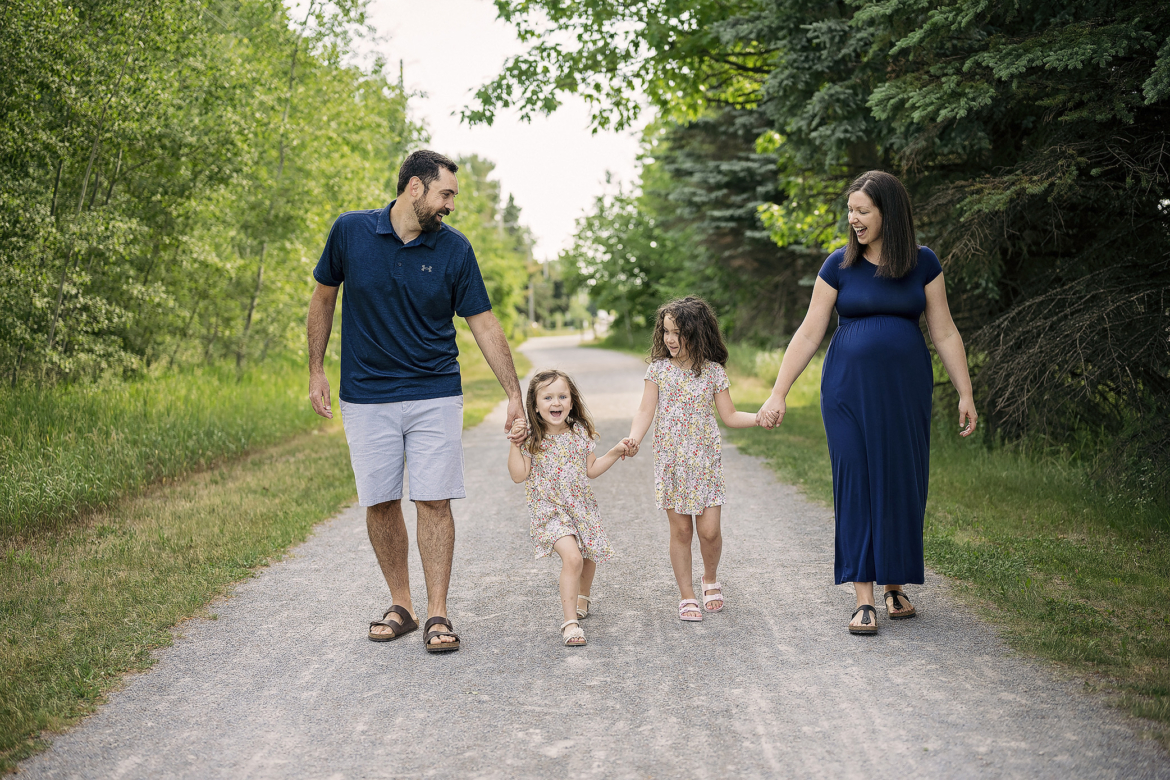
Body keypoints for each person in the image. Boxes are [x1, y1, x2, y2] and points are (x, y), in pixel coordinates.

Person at [306, 149, 525, 653]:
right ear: (414, 188)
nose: (451, 205)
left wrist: (514, 393)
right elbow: (323, 297)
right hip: (366, 394)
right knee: (381, 501)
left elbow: (483, 323)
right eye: (445, 194)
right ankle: (402, 605)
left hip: (435, 391)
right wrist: (316, 369)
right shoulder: (350, 231)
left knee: (434, 498)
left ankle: (438, 613)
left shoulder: (455, 249)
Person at [756, 170, 978, 635]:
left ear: (887, 213)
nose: (853, 219)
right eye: (850, 211)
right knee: (855, 481)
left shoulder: (922, 263)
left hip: (904, 392)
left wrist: (965, 392)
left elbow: (944, 331)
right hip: (846, 392)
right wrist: (779, 391)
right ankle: (863, 597)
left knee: (901, 480)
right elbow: (810, 331)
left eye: (863, 211)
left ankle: (895, 585)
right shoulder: (838, 265)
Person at [624, 297, 759, 622]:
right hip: (672, 463)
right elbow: (645, 410)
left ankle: (710, 578)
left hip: (705, 465)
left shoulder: (713, 372)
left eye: (678, 333)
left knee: (709, 531)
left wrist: (759, 418)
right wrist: (634, 438)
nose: (670, 339)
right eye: (666, 331)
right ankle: (687, 595)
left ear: (697, 333)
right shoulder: (658, 370)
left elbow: (730, 415)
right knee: (682, 531)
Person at [507, 370, 626, 647]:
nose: (556, 403)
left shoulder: (579, 433)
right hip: (550, 512)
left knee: (589, 554)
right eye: (548, 397)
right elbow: (518, 475)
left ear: (571, 402)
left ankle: (582, 596)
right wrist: (514, 444)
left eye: (562, 396)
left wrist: (616, 451)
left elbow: (591, 469)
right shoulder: (532, 438)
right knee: (573, 558)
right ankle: (570, 623)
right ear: (535, 405)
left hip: (580, 507)